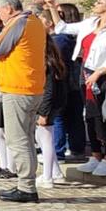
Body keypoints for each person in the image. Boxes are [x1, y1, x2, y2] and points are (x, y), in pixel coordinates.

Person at [50, 0, 106, 178]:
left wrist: (99, 72)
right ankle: (95, 154)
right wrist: (53, 8)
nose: (95, 4)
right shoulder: (90, 23)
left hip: (104, 76)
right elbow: (62, 28)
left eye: (99, 1)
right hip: (85, 71)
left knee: (104, 116)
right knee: (90, 115)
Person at [0, 0, 48, 203]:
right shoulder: (34, 22)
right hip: (31, 86)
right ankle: (28, 184)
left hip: (18, 87)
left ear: (8, 8)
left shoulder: (19, 23)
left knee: (18, 139)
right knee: (27, 139)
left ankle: (26, 187)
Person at [33, 37, 69, 188]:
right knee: (42, 139)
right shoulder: (55, 63)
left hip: (48, 105)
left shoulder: (47, 64)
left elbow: (48, 90)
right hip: (54, 103)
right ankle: (55, 172)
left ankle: (47, 176)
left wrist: (43, 112)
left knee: (46, 140)